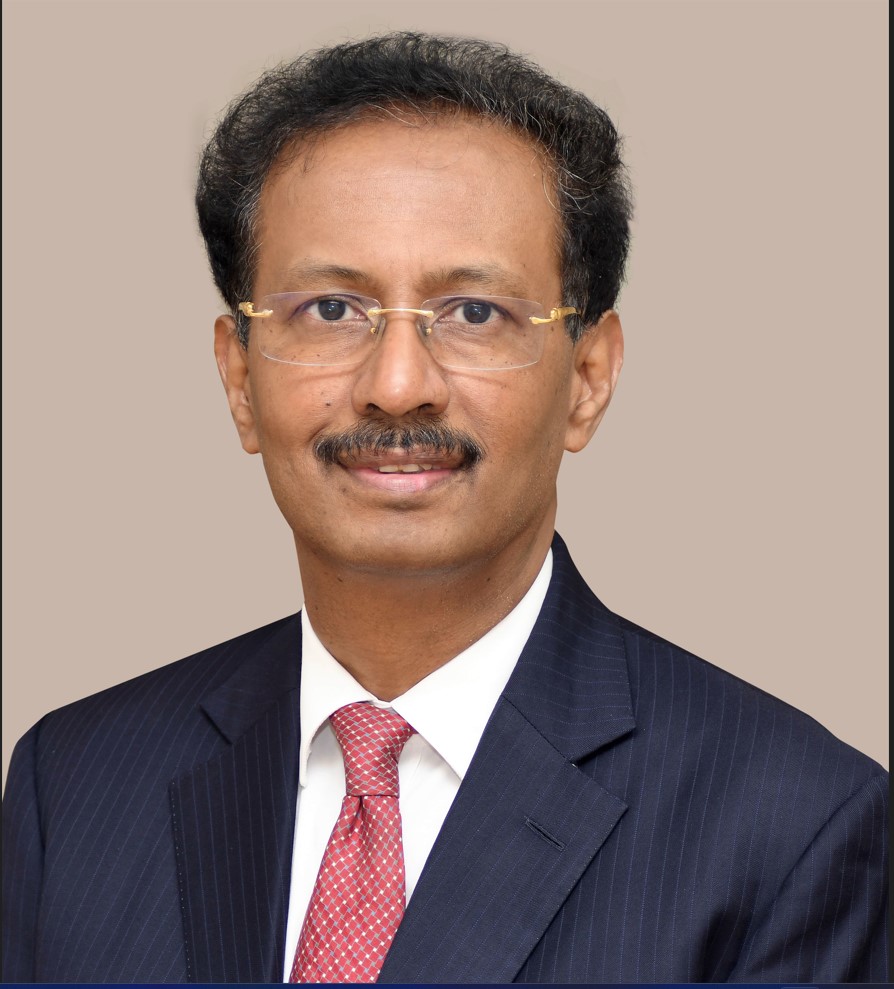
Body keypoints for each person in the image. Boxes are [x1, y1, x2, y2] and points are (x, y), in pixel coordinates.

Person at [1, 31, 887, 985]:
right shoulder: (75, 783)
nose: (396, 386)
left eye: (473, 313)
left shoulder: (793, 828)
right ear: (239, 378)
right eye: (330, 309)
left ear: (589, 377)